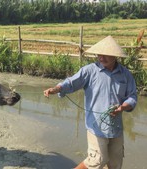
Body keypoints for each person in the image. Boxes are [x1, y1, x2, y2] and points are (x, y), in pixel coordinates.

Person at [43, 36, 137, 169]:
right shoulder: (90, 71)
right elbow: (71, 82)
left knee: (115, 164)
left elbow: (132, 96)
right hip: (96, 126)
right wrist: (56, 89)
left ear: (115, 56)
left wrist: (122, 107)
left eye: (105, 55)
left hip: (116, 128)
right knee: (97, 161)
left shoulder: (125, 74)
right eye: (99, 54)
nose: (101, 58)